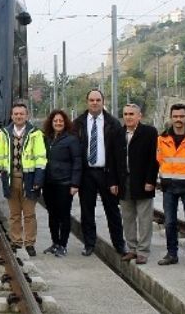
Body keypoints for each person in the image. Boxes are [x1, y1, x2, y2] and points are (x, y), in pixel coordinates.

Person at [73, 90, 126, 257]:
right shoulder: (78, 123)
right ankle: (89, 244)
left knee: (112, 211)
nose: (94, 103)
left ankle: (119, 244)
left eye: (97, 100)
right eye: (91, 100)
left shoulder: (113, 123)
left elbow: (119, 154)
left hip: (107, 173)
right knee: (87, 211)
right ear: (87, 102)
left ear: (103, 101)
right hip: (87, 174)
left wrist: (116, 180)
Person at [0, 102, 47, 256]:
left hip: (29, 179)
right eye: (16, 114)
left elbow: (41, 158)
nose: (19, 116)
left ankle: (29, 243)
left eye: (21, 114)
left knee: (29, 215)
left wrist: (38, 179)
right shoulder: (4, 133)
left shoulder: (35, 133)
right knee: (14, 214)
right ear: (12, 116)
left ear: (27, 115)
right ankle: (16, 241)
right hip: (10, 179)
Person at [157, 103, 185, 268]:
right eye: (175, 116)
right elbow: (159, 160)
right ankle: (171, 254)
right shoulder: (162, 139)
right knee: (169, 222)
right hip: (169, 186)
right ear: (171, 117)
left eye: (181, 116)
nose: (178, 119)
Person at [117, 103, 159, 265]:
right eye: (126, 114)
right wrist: (114, 182)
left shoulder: (149, 133)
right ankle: (132, 249)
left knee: (144, 218)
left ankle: (143, 251)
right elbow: (114, 159)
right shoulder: (118, 133)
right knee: (127, 217)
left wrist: (151, 181)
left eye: (131, 114)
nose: (128, 117)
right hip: (124, 181)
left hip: (142, 181)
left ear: (139, 116)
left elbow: (153, 160)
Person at [40, 109, 81, 257]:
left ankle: (63, 244)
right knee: (52, 214)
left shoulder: (71, 139)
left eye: (61, 121)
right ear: (51, 123)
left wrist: (75, 184)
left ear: (65, 123)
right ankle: (55, 242)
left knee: (64, 215)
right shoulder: (47, 139)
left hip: (65, 183)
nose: (58, 123)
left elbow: (77, 161)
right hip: (49, 183)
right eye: (55, 121)